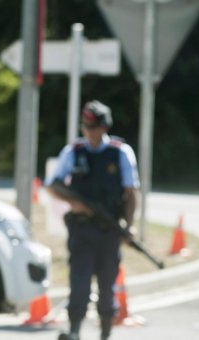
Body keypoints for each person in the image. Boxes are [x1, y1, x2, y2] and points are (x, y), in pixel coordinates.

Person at [45, 100, 140, 340]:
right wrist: (77, 204)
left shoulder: (120, 152)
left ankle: (105, 334)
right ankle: (74, 331)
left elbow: (130, 193)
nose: (89, 132)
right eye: (86, 127)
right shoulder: (74, 152)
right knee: (79, 281)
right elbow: (53, 185)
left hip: (109, 230)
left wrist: (128, 227)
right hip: (81, 229)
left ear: (104, 127)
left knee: (107, 285)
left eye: (93, 127)